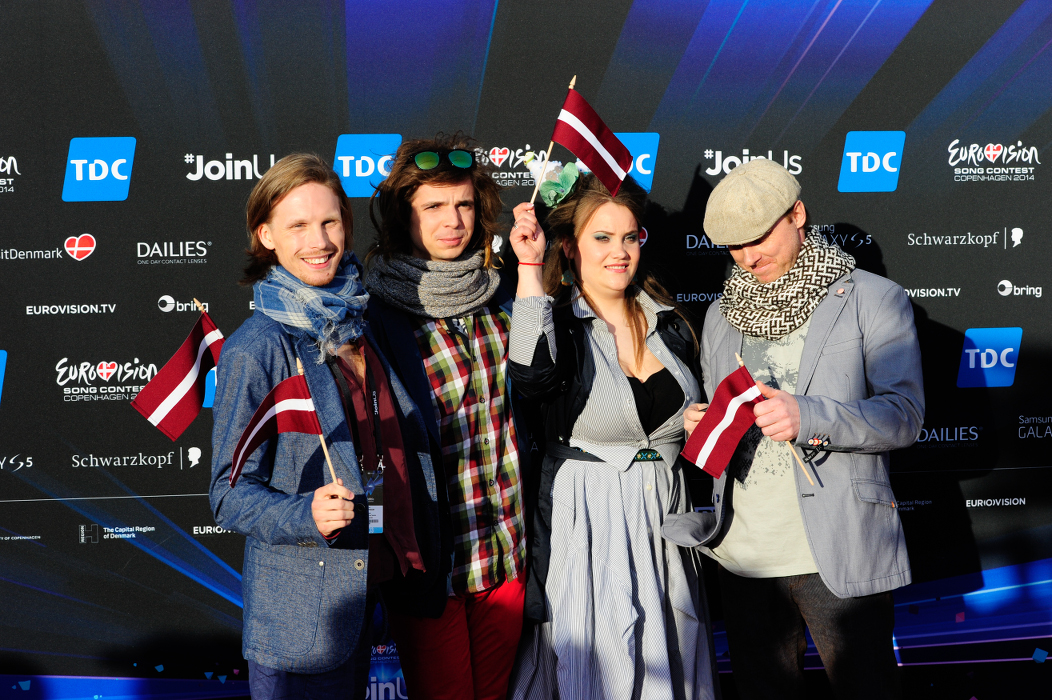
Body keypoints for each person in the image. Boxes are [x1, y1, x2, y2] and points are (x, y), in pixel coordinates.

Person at [663, 158, 924, 699]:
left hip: (837, 550)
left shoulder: (872, 299)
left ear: (797, 214)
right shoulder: (719, 314)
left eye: (758, 238)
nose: (747, 257)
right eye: (733, 247)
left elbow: (904, 416)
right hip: (744, 552)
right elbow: (724, 414)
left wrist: (810, 417)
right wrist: (704, 422)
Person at [209, 154, 434, 700]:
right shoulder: (258, 347)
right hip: (302, 626)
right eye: (298, 225)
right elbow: (226, 495)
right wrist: (304, 513)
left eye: (330, 221)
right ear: (266, 236)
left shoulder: (361, 320)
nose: (320, 240)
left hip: (374, 590)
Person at [506, 173, 718, 700]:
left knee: (672, 657)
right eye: (602, 238)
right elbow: (531, 378)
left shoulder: (670, 322)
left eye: (630, 237)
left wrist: (700, 424)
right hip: (590, 520)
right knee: (600, 668)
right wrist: (529, 268)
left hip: (666, 522)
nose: (619, 252)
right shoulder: (557, 321)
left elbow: (686, 427)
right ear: (571, 248)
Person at [363, 135, 530, 700]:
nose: (452, 220)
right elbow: (372, 447)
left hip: (505, 549)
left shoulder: (502, 294)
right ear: (402, 216)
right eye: (433, 206)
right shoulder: (375, 314)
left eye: (463, 205)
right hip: (433, 562)